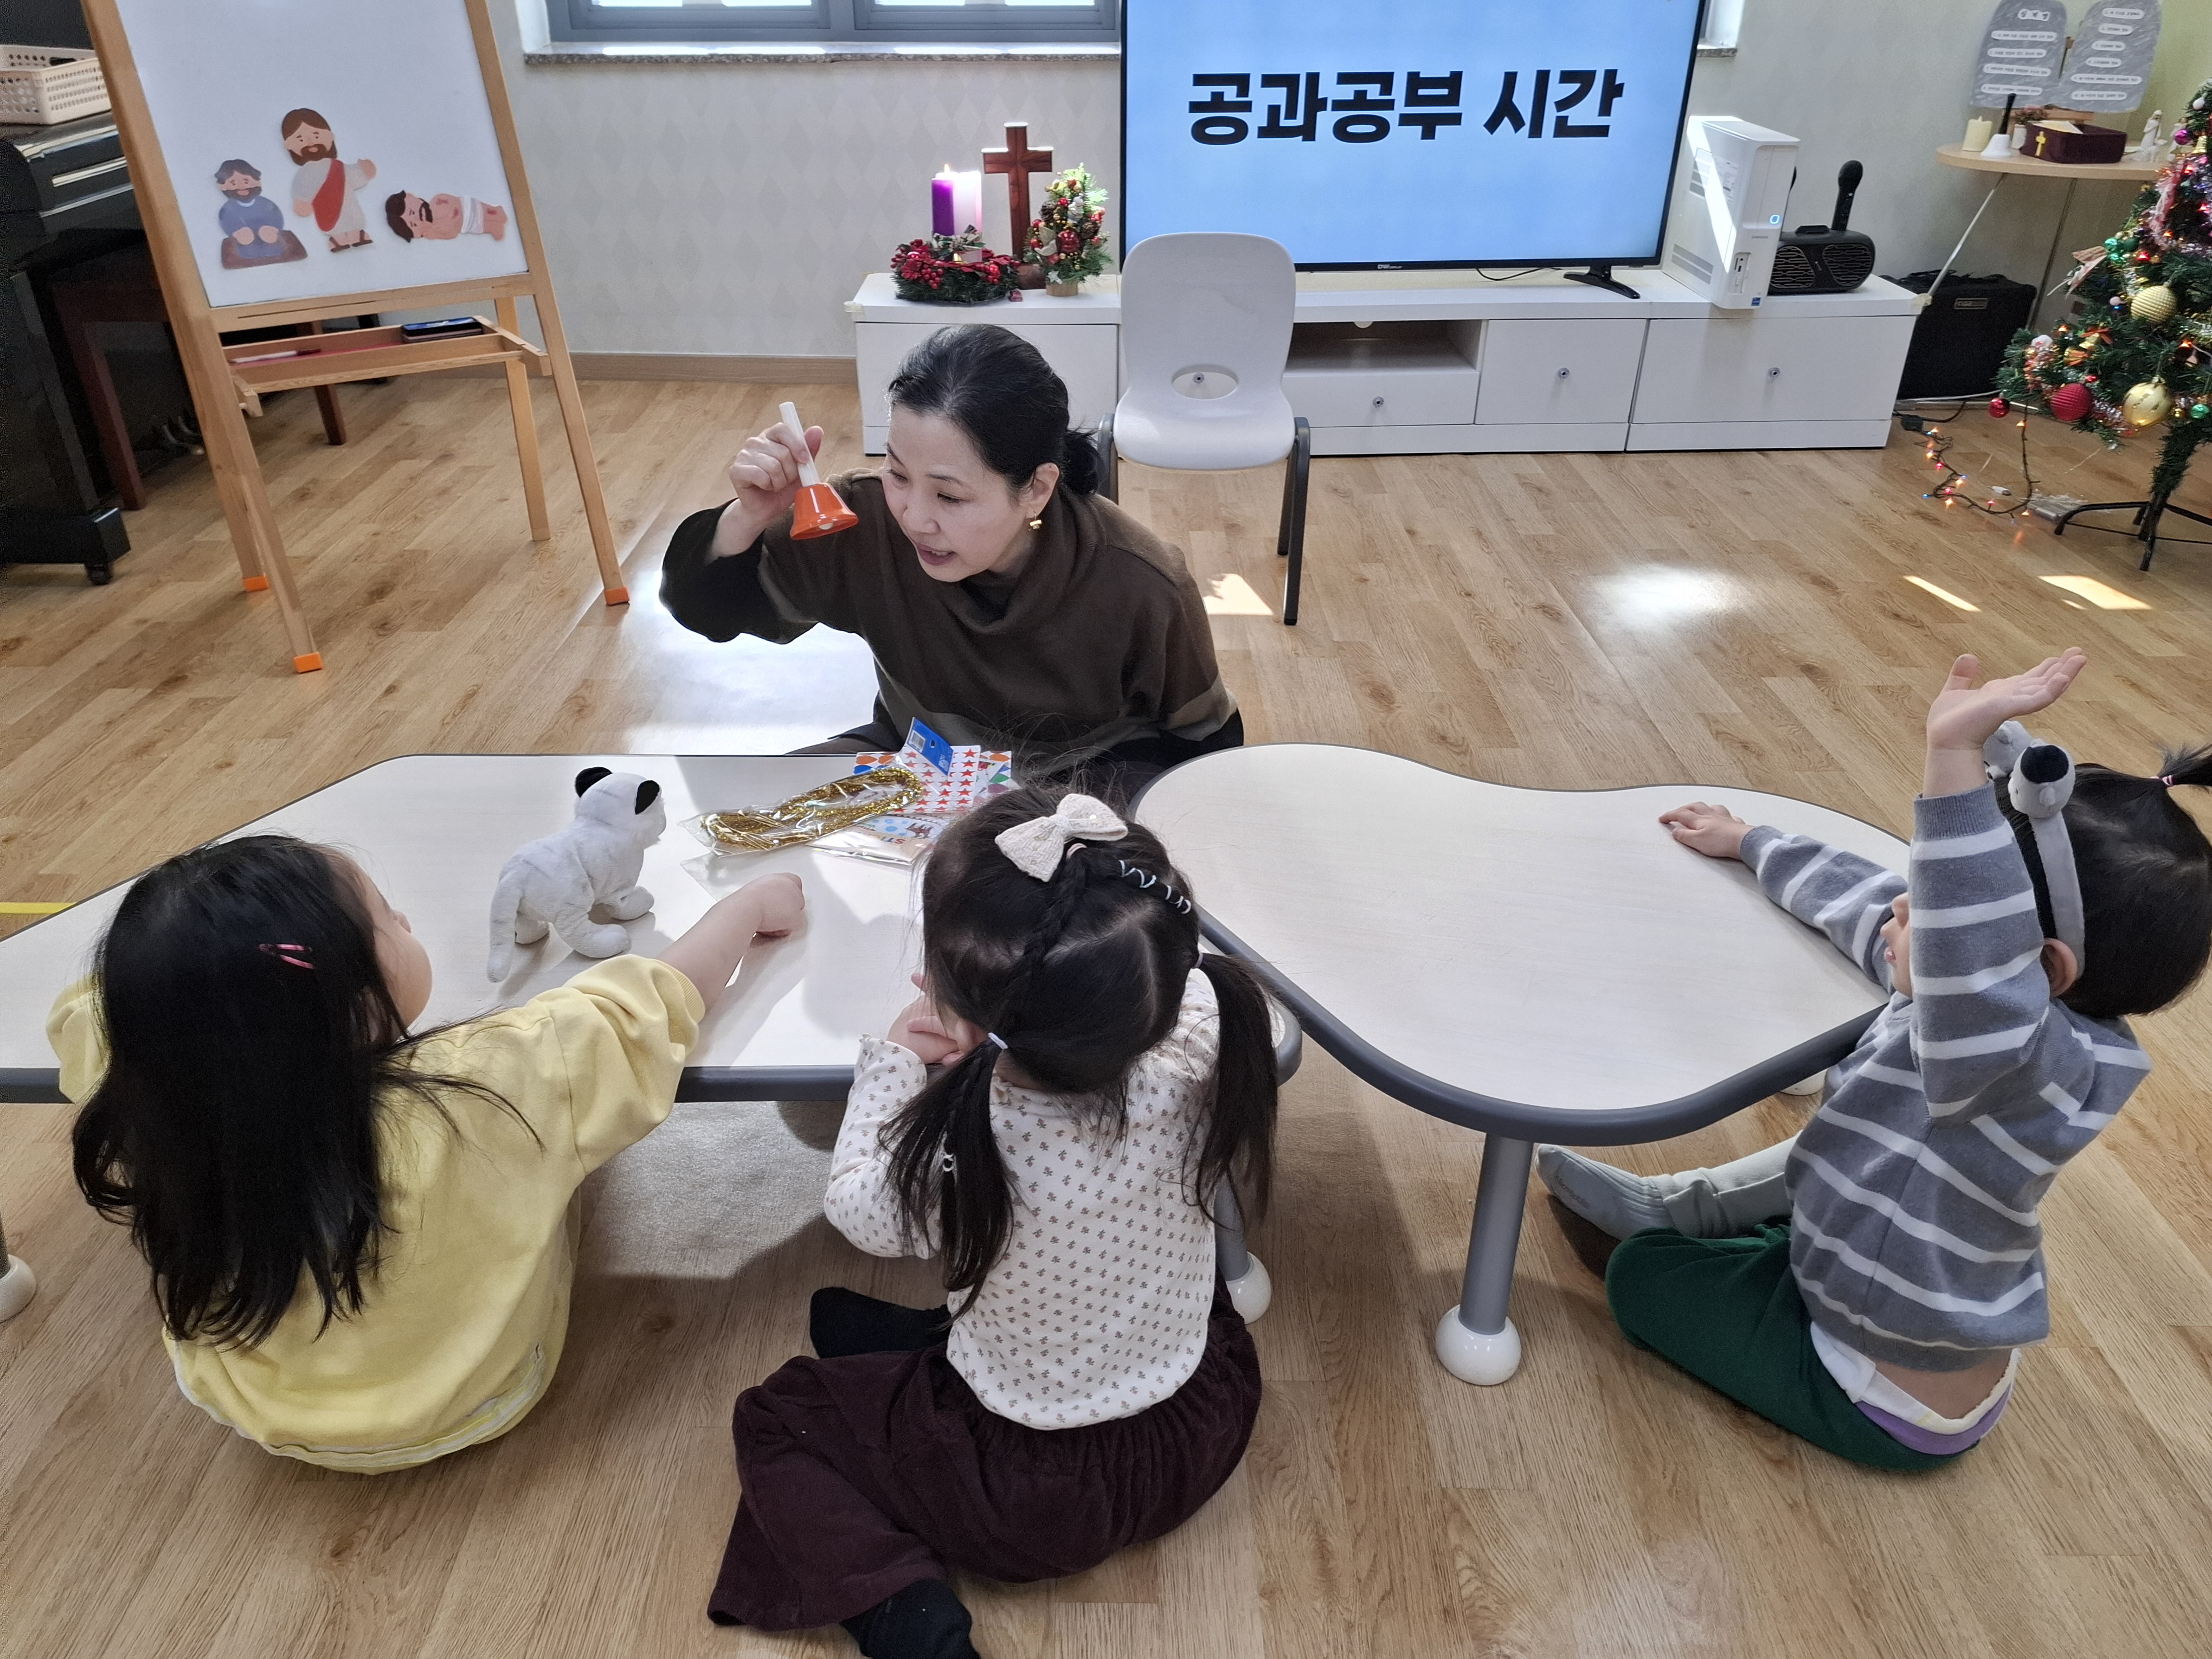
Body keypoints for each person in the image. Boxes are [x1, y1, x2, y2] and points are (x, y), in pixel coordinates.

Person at [1539, 648, 2212, 1469]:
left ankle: (1702, 1242)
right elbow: (1870, 903)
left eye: (1931, 911)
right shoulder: (1990, 1013)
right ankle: (1696, 1206)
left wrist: (1952, 758)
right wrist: (1752, 842)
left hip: (1879, 1398)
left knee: (1643, 1278)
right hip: (1917, 1297)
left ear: (2030, 969)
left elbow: (1963, 932)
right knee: (1842, 1143)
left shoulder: (2013, 1052)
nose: (1901, 906)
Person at [706, 789, 1280, 1658]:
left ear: (957, 1002)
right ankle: (930, 1346)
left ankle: (909, 1620)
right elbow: (1178, 968)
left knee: (779, 1418)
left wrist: (896, 1057)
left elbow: (857, 1204)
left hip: (1027, 1496)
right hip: (1198, 1425)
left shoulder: (968, 1147)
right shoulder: (1205, 1039)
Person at [55, 833, 802, 1472]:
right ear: (355, 1009)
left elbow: (78, 1015)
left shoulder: (142, 1087)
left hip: (262, 1413)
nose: (406, 919)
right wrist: (744, 909)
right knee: (567, 1126)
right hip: (481, 1401)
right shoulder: (490, 1082)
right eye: (386, 916)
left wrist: (182, 980)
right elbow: (645, 1004)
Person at [658, 324, 1242, 799]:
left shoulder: (1138, 581)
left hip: (1088, 788)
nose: (914, 518)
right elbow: (707, 613)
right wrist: (747, 516)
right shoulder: (861, 521)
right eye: (897, 473)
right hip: (920, 761)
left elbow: (1207, 749)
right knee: (750, 812)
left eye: (950, 496)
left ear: (1037, 488)